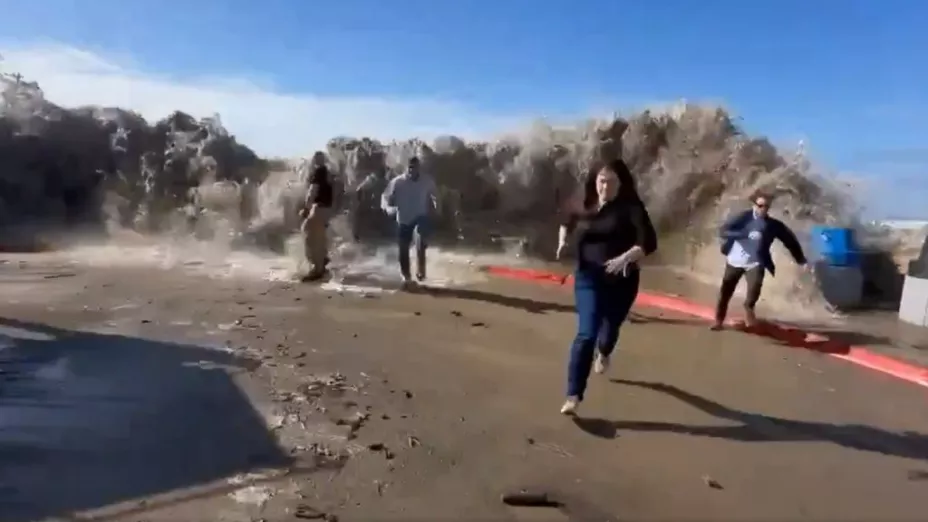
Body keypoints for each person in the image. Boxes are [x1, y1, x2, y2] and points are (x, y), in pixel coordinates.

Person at [556, 159, 658, 415]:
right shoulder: (584, 202)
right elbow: (566, 221)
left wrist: (624, 258)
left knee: (609, 331)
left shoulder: (631, 207)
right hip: (588, 278)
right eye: (602, 180)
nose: (605, 186)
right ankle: (573, 394)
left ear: (621, 183)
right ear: (595, 181)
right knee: (586, 333)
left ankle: (605, 353)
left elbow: (649, 241)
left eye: (612, 181)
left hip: (622, 281)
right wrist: (563, 241)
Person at [711, 192, 808, 330]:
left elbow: (789, 240)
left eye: (766, 206)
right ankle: (718, 321)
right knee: (725, 293)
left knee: (754, 289)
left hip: (755, 262)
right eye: (760, 205)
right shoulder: (743, 217)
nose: (763, 209)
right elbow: (723, 231)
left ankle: (748, 308)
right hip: (735, 260)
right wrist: (745, 234)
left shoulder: (772, 225)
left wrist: (801, 259)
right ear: (754, 205)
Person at [381, 157, 440, 286]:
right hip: (403, 218)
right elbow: (385, 198)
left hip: (421, 217)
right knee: (403, 248)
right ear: (406, 167)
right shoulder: (397, 182)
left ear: (419, 167)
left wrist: (437, 208)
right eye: (410, 167)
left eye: (415, 167)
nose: (412, 170)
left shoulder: (427, 180)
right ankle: (406, 275)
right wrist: (389, 209)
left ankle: (420, 270)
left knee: (420, 239)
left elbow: (435, 194)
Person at [299, 162, 334, 281]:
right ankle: (322, 259)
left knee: (309, 237)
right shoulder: (329, 185)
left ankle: (316, 267)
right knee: (320, 237)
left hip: (317, 210)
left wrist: (305, 209)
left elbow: (310, 196)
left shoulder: (317, 183)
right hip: (326, 212)